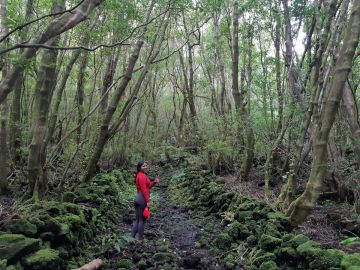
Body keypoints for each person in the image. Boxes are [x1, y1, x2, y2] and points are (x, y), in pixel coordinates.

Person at [131, 161, 159, 240]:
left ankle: (131, 238)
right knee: (141, 221)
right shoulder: (142, 176)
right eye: (143, 166)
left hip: (138, 199)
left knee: (137, 220)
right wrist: (148, 201)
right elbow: (144, 190)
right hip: (141, 199)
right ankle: (140, 239)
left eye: (146, 165)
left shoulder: (141, 175)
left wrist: (154, 182)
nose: (146, 167)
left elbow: (148, 187)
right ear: (140, 168)